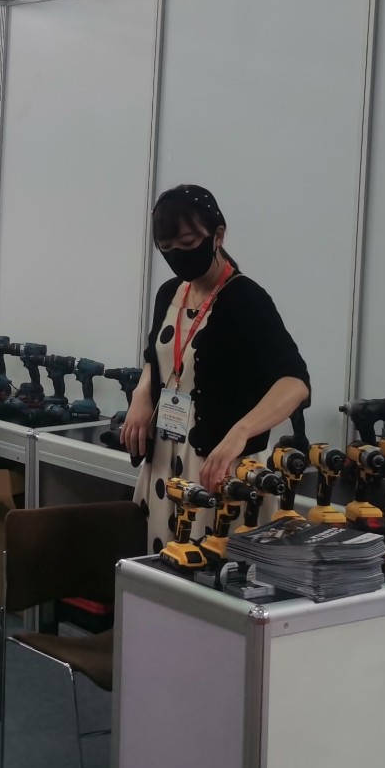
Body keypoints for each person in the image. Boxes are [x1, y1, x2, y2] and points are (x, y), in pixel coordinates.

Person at [119, 184, 311, 554]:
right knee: (157, 568)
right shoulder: (170, 293)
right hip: (164, 463)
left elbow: (295, 382)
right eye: (166, 247)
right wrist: (142, 393)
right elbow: (157, 356)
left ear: (218, 235)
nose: (178, 255)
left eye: (188, 243)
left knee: (208, 569)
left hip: (219, 471)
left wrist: (243, 430)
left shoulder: (246, 300)